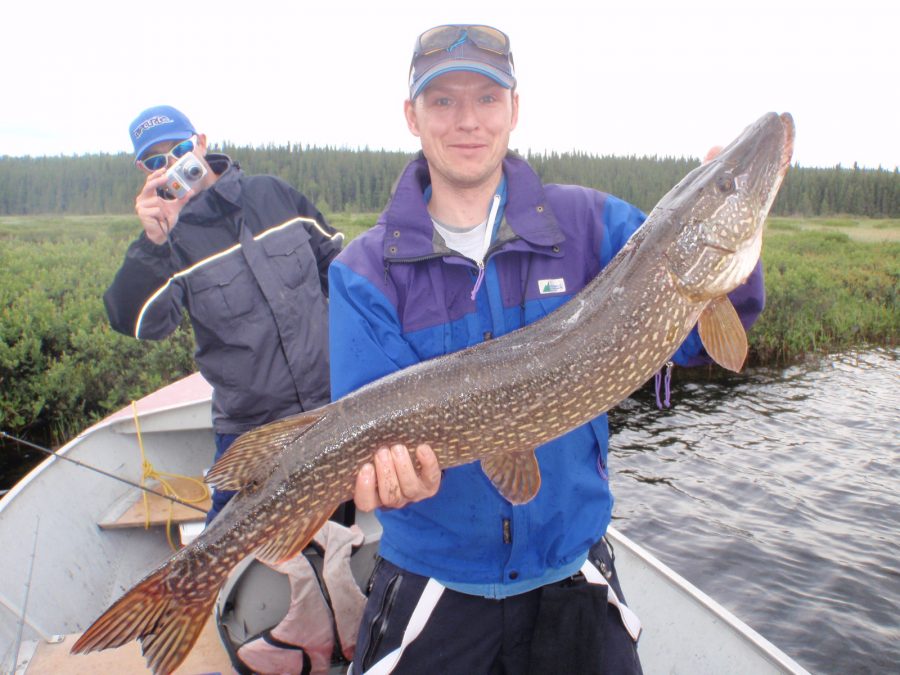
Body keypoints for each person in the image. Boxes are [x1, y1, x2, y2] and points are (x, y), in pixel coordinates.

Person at [328, 24, 765, 674]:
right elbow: (366, 444)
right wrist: (386, 484)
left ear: (515, 108)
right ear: (412, 117)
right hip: (434, 580)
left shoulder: (590, 224)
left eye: (487, 98)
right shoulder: (363, 273)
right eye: (443, 101)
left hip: (571, 569)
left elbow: (706, 345)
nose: (467, 120)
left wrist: (739, 247)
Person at [104, 105, 344, 522]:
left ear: (201, 143)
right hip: (250, 431)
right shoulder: (168, 240)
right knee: (230, 542)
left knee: (339, 524)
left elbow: (343, 276)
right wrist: (153, 243)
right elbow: (140, 323)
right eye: (156, 161)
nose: (172, 164)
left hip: (331, 404)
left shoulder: (272, 194)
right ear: (145, 171)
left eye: (179, 150)